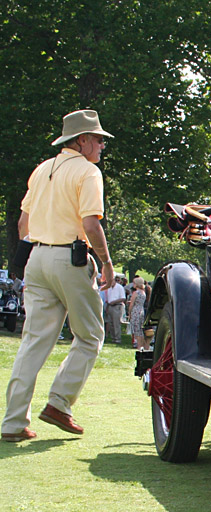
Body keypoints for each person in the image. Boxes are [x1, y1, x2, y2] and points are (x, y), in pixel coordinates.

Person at [1, 110, 115, 442]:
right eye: (97, 139)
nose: (101, 146)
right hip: (70, 258)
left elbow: (23, 225)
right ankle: (59, 403)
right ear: (82, 141)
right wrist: (106, 262)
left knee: (33, 342)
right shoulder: (88, 172)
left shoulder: (40, 170)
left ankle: (12, 423)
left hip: (36, 257)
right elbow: (91, 224)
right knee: (90, 335)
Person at [103, 273, 126, 343]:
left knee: (116, 323)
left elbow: (123, 298)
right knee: (111, 323)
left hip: (116, 306)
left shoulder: (119, 287)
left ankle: (117, 338)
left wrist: (114, 301)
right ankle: (113, 338)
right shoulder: (109, 288)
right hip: (110, 306)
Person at [128, 276, 149, 352]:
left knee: (136, 329)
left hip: (136, 310)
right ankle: (142, 345)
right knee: (140, 329)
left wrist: (129, 313)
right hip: (141, 310)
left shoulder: (136, 293)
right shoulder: (143, 292)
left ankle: (139, 346)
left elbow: (132, 304)